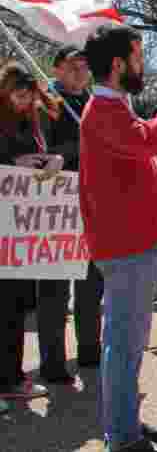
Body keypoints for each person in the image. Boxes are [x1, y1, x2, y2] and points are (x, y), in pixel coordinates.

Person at [80, 25, 157, 451]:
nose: (141, 64)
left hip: (133, 240)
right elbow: (146, 141)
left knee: (130, 343)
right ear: (118, 65)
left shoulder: (113, 105)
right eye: (136, 56)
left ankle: (126, 424)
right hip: (126, 244)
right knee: (124, 344)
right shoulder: (102, 109)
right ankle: (122, 436)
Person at [36, 46, 104, 385]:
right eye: (72, 66)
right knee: (55, 289)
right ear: (57, 69)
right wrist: (82, 147)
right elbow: (41, 151)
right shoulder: (45, 104)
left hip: (95, 201)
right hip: (58, 202)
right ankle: (53, 361)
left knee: (93, 282)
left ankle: (90, 349)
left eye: (84, 66)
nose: (79, 72)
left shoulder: (94, 103)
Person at [0, 62, 63, 402]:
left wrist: (52, 160)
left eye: (29, 96)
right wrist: (12, 165)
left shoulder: (33, 119)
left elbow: (39, 153)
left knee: (16, 307)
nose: (25, 102)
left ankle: (12, 376)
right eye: (18, 96)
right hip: (4, 223)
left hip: (21, 226)